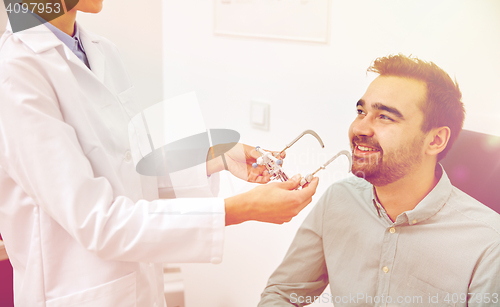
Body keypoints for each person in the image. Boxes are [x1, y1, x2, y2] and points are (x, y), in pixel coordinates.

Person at [0, 1, 319, 306]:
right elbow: (100, 222)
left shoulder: (101, 51)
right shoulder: (17, 74)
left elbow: (130, 169)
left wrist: (217, 157)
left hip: (138, 287)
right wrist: (241, 208)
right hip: (77, 291)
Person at [258, 54, 500, 306]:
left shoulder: (489, 245)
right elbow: (282, 294)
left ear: (435, 140)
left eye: (385, 116)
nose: (360, 128)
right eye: (361, 111)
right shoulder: (338, 199)